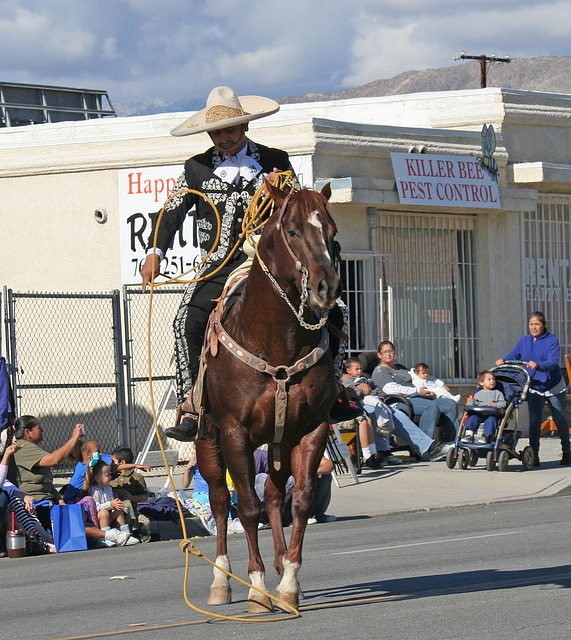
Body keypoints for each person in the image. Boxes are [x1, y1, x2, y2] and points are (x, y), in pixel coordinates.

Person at [140, 86, 292, 443]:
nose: (223, 138)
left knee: (331, 308)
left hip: (267, 263)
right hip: (217, 266)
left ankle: (334, 397)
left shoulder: (276, 160)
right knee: (183, 324)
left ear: (244, 128)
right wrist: (155, 252)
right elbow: (172, 211)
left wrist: (278, 193)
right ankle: (192, 406)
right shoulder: (196, 168)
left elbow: (295, 209)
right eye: (216, 132)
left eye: (229, 130)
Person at [9, 416, 130, 547]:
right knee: (72, 522)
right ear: (28, 432)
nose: (42, 430)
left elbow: (47, 484)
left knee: (78, 515)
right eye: (38, 427)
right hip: (36, 505)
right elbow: (54, 459)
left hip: (49, 502)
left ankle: (101, 537)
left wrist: (60, 500)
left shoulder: (32, 448)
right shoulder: (23, 448)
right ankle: (108, 536)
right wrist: (73, 439)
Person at [496, 310, 571, 466]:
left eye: (537, 324)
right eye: (531, 324)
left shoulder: (551, 340)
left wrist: (539, 365)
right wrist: (503, 360)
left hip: (553, 385)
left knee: (559, 418)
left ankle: (567, 451)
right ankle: (534, 454)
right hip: (534, 385)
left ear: (543, 325)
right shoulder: (524, 341)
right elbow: (514, 354)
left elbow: (553, 361)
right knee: (534, 420)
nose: (534, 327)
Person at [343, 357, 451, 462]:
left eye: (360, 369)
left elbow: (377, 390)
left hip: (375, 401)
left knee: (397, 414)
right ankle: (381, 452)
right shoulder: (346, 379)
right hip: (356, 404)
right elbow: (347, 392)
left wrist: (374, 393)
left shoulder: (366, 378)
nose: (359, 371)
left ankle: (430, 448)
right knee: (375, 412)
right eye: (356, 369)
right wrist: (361, 391)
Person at [371, 341, 459, 449]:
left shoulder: (400, 367)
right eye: (385, 352)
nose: (388, 354)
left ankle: (449, 445)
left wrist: (432, 389)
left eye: (391, 351)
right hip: (400, 401)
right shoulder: (380, 371)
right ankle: (426, 447)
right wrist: (417, 391)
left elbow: (420, 379)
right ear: (379, 355)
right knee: (431, 407)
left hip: (418, 397)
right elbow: (391, 389)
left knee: (450, 404)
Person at [81, 458, 139, 545]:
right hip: (98, 519)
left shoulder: (108, 488)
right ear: (97, 478)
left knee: (118, 511)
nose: (110, 477)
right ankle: (106, 537)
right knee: (104, 513)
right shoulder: (94, 491)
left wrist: (115, 504)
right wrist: (110, 504)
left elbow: (110, 501)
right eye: (107, 475)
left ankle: (125, 534)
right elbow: (96, 508)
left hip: (108, 515)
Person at [461, 370, 506, 444]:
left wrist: (495, 405)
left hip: (492, 414)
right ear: (482, 383)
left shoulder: (497, 393)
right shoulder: (478, 394)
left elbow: (503, 403)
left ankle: (486, 436)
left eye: (493, 379)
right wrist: (470, 404)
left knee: (491, 420)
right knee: (472, 418)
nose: (492, 381)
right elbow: (475, 403)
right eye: (489, 379)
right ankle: (469, 435)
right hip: (479, 414)